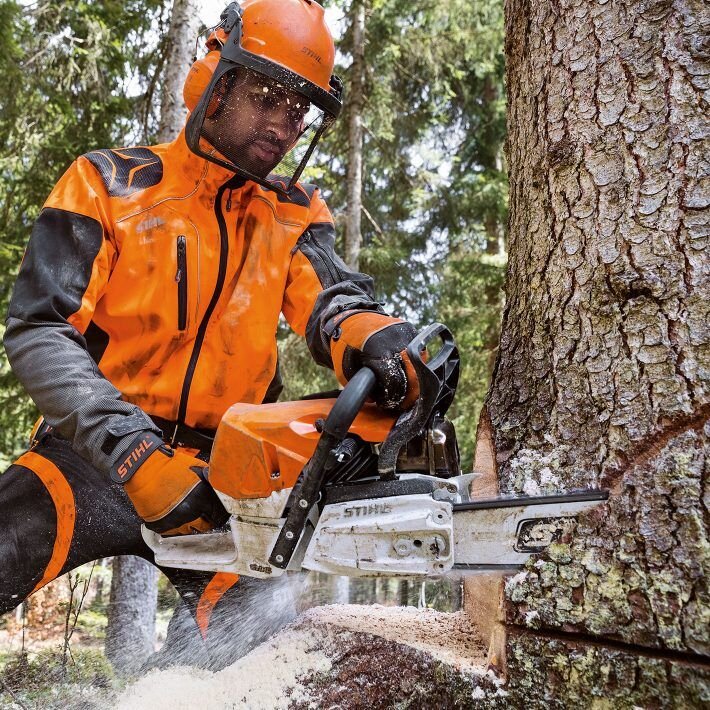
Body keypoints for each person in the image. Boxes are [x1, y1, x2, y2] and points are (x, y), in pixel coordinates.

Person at [0, 0, 422, 658]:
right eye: (267, 98)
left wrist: (375, 338)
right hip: (88, 455)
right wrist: (132, 452)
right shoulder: (108, 184)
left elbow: (329, 302)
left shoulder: (293, 212)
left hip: (220, 480)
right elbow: (40, 328)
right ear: (215, 80)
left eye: (299, 110)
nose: (284, 124)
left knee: (251, 653)